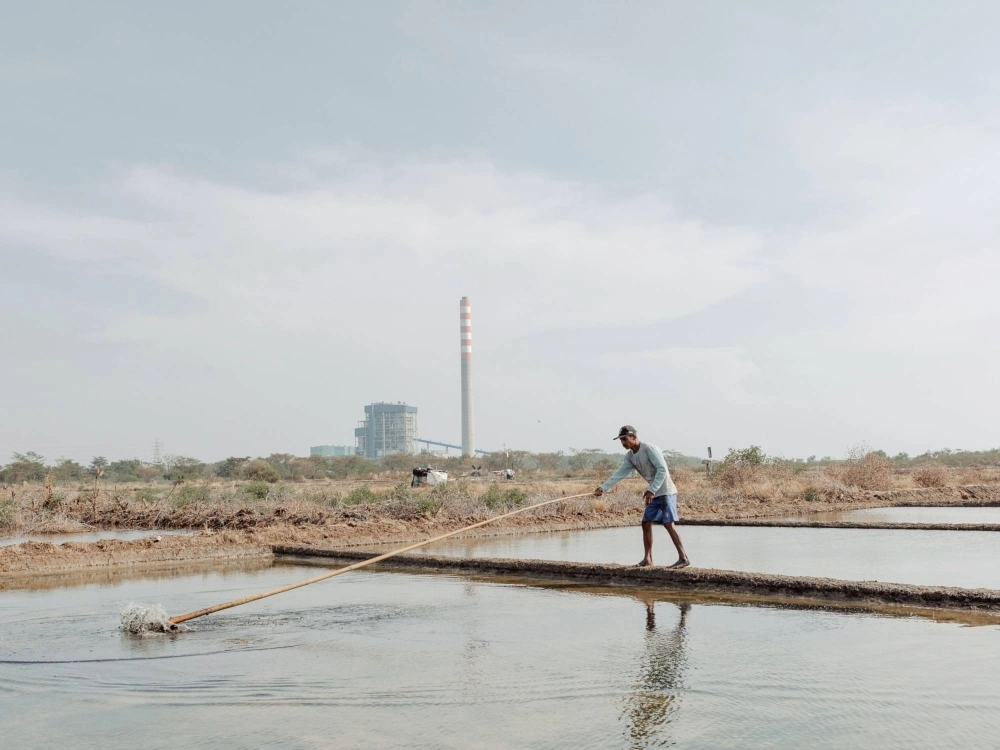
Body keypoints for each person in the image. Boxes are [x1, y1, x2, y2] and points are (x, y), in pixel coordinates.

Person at [594, 425, 690, 568]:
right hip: (653, 493)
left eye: (625, 439)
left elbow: (662, 469)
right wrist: (603, 487)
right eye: (621, 440)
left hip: (665, 491)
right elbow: (620, 473)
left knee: (668, 523)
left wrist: (652, 490)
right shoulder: (630, 456)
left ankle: (683, 558)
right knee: (646, 523)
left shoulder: (649, 449)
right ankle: (648, 559)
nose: (623, 443)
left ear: (634, 437)